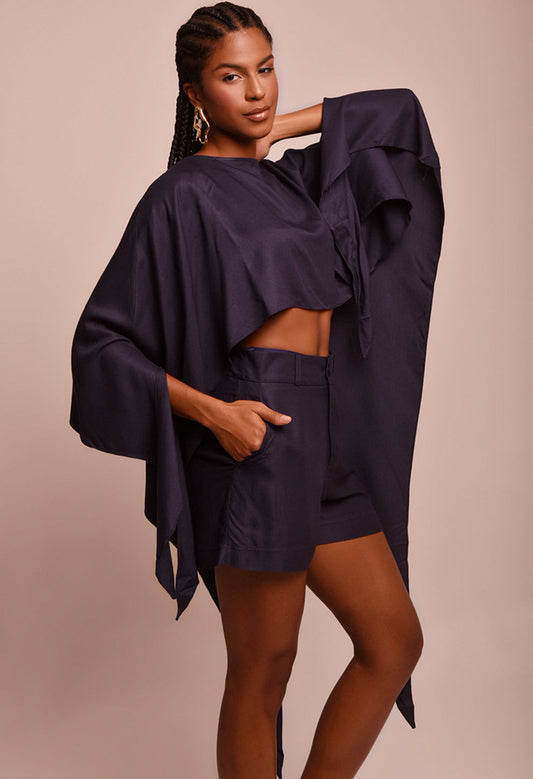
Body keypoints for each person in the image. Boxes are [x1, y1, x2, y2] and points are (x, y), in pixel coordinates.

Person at [69, 3, 445, 777]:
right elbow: (101, 343)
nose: (255, 90)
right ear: (193, 93)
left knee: (392, 641)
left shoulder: (293, 180)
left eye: (265, 68)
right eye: (230, 76)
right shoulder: (182, 195)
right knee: (264, 670)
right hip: (257, 435)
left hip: (326, 431)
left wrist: (278, 132)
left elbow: (396, 116)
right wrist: (214, 413)